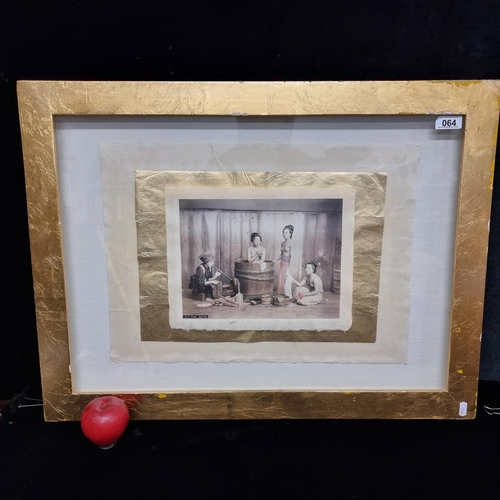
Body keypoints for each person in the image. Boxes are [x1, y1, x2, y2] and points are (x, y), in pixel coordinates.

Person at [272, 224, 294, 296]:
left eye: (286, 233)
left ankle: (286, 294)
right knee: (280, 278)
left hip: (287, 263)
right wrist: (275, 259)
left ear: (290, 234)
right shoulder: (282, 243)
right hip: (282, 262)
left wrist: (290, 267)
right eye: (283, 233)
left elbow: (292, 256)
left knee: (285, 278)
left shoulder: (291, 243)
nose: (284, 234)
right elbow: (281, 255)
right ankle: (281, 294)